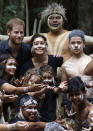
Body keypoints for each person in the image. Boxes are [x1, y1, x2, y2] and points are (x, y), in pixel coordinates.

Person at [0, 3, 93, 63]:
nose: (54, 20)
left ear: (63, 20)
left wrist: (88, 58)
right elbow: (18, 38)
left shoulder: (72, 36)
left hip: (67, 77)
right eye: (51, 18)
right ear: (46, 20)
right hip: (46, 79)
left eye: (58, 17)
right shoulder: (40, 38)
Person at [58, 29, 93, 119]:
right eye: (73, 43)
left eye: (79, 42)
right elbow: (64, 88)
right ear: (69, 45)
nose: (76, 45)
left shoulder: (90, 61)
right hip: (74, 103)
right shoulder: (65, 65)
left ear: (84, 44)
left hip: (91, 100)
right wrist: (63, 88)